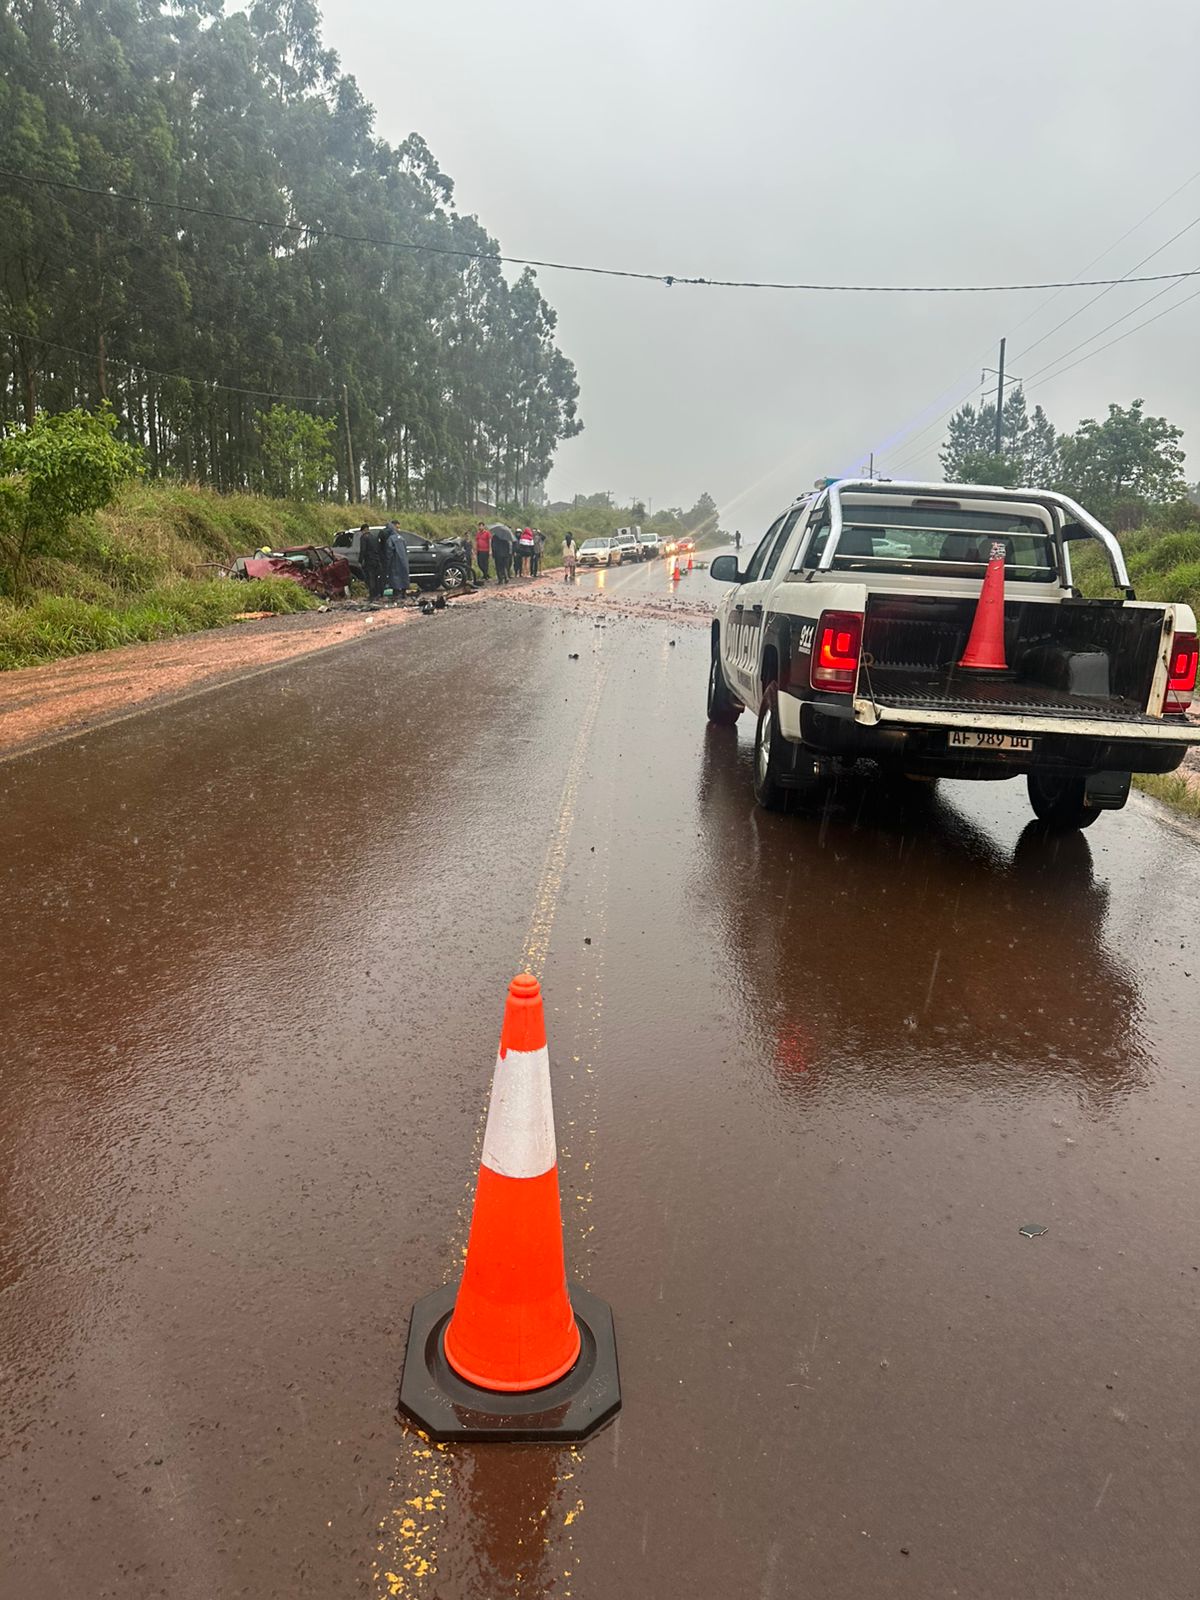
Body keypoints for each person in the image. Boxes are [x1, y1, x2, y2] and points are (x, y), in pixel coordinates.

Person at [381, 520, 410, 602]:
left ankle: (396, 594)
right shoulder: (402, 538)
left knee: (395, 577)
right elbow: (405, 550)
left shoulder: (390, 539)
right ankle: (404, 593)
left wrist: (387, 562)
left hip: (395, 561)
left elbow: (389, 552)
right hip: (403, 561)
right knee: (403, 576)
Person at [359, 522, 385, 600]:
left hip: (369, 560)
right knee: (377, 577)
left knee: (370, 578)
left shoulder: (364, 537)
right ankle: (379, 593)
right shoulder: (374, 537)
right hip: (377, 560)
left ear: (363, 530)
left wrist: (360, 561)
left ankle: (372, 595)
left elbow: (363, 550)